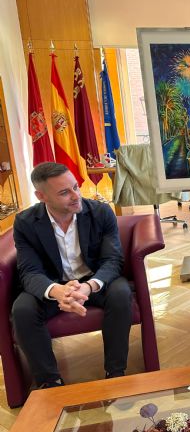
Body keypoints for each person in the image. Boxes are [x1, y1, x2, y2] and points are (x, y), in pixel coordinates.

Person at [12, 162, 131, 388]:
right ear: (41, 196)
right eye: (64, 192)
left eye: (76, 187)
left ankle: (116, 372)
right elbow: (29, 271)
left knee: (120, 293)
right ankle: (50, 383)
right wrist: (57, 291)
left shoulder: (101, 212)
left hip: (94, 281)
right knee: (22, 310)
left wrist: (88, 287)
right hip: (53, 285)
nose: (76, 196)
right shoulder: (25, 223)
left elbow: (112, 260)